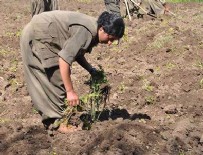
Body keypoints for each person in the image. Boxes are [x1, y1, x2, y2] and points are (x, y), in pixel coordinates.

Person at [20, 11, 125, 133]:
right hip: (37, 35)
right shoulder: (86, 31)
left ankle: (56, 117)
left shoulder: (93, 28)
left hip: (38, 31)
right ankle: (57, 122)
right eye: (110, 38)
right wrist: (70, 91)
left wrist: (91, 69)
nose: (109, 43)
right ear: (102, 29)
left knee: (54, 78)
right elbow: (64, 59)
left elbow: (76, 52)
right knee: (57, 79)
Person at [104, 0, 170, 17]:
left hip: (150, 6)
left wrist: (165, 6)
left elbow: (163, 2)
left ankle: (162, 14)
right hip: (140, 8)